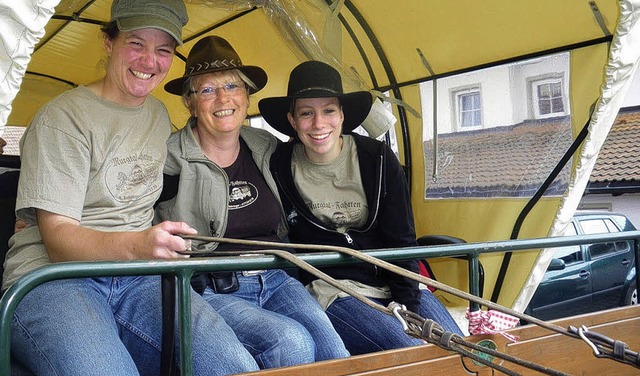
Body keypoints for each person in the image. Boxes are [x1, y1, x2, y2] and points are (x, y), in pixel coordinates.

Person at [2, 1, 260, 375]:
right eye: (136, 44)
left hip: (140, 277)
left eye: (163, 51)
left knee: (231, 364)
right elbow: (57, 241)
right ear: (108, 42)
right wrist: (140, 244)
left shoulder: (157, 116)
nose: (149, 61)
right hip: (53, 278)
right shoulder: (63, 118)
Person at [156, 36, 350, 368]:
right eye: (206, 90)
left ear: (247, 96)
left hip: (277, 277)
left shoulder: (266, 147)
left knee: (335, 350)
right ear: (189, 102)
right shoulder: (168, 159)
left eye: (232, 86)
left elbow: (323, 153)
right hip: (211, 288)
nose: (222, 98)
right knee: (291, 343)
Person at [260, 60, 464, 355]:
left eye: (328, 110)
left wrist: (406, 305)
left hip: (393, 282)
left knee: (458, 350)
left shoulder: (376, 159)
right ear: (292, 120)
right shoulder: (278, 166)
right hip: (333, 289)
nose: (318, 124)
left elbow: (401, 239)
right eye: (307, 113)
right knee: (407, 351)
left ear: (342, 115)